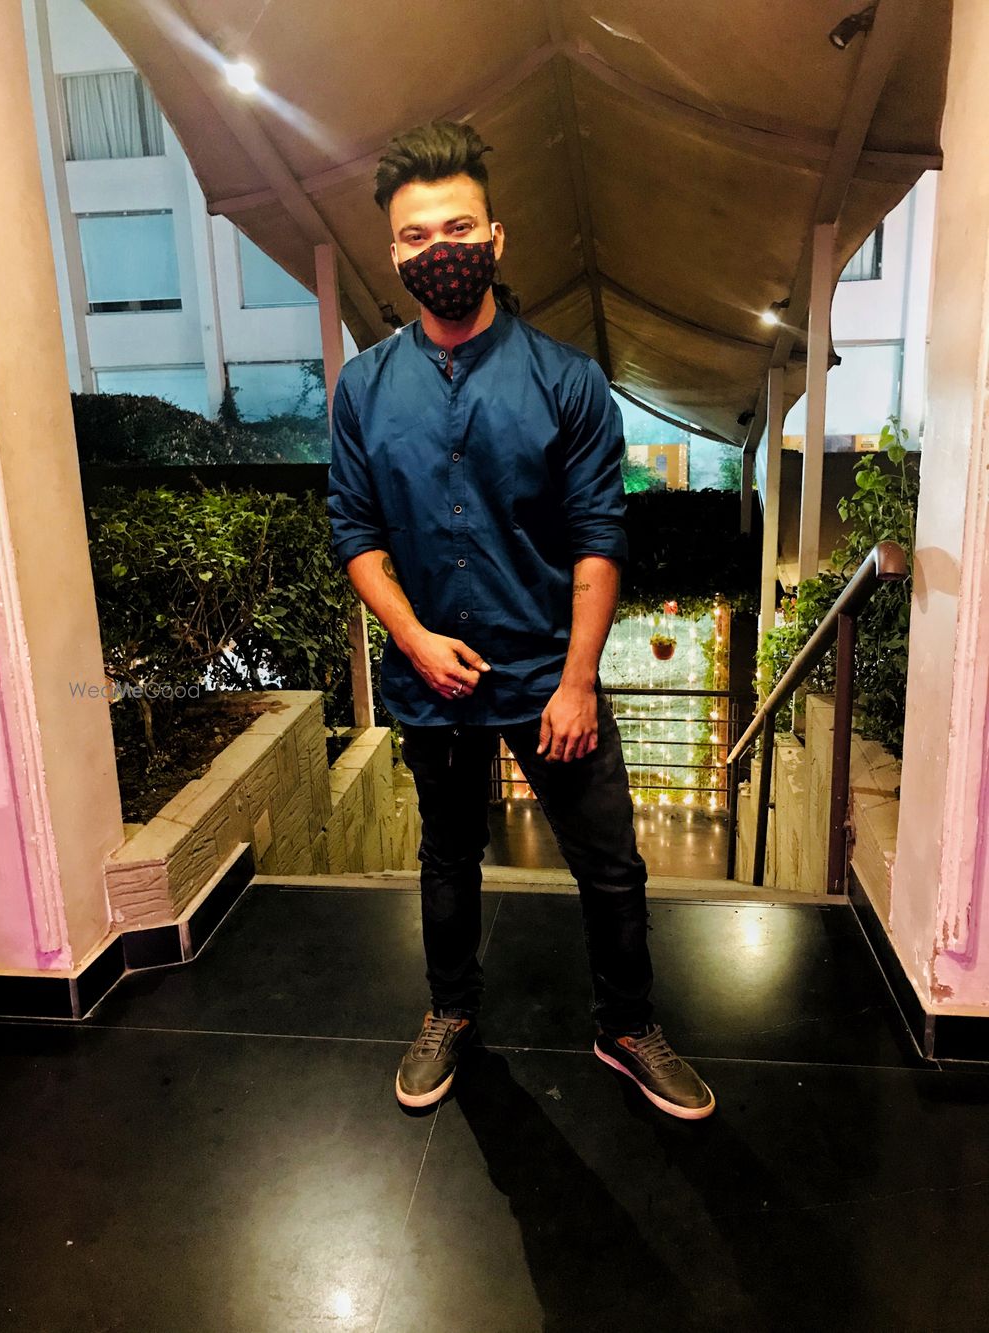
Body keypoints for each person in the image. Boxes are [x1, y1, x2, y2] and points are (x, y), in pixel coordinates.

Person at [326, 119, 714, 1121]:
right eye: (417, 236)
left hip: (549, 673)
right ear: (394, 253)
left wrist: (579, 680)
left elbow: (599, 538)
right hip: (431, 679)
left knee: (610, 864)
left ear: (495, 237)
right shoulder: (363, 388)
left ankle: (626, 1025)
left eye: (458, 228)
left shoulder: (567, 381)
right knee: (448, 857)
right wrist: (412, 638)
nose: (440, 250)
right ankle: (450, 1010)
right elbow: (355, 530)